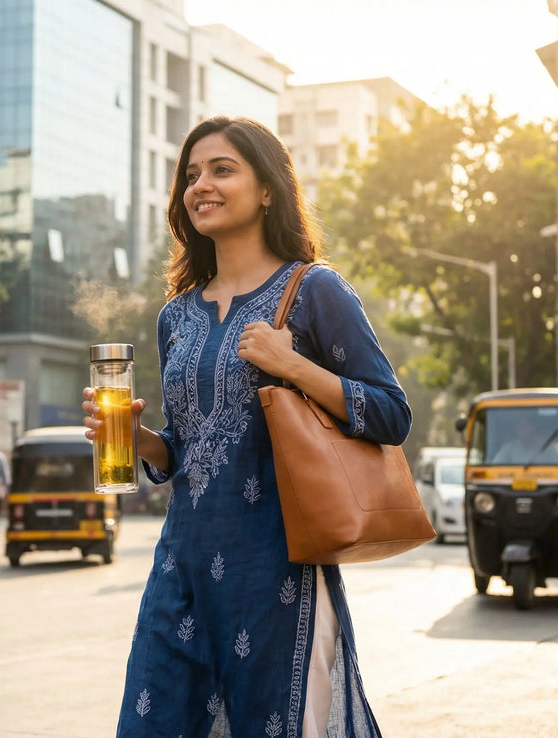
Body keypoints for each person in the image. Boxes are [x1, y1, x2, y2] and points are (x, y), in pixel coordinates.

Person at [82, 115, 411, 737]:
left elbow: (392, 413)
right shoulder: (176, 316)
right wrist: (136, 438)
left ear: (267, 190)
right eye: (191, 174)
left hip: (277, 569)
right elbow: (187, 451)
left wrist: (292, 365)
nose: (200, 184)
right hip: (181, 566)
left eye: (222, 169)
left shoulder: (314, 291)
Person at [491, 414, 558, 465]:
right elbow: (495, 465)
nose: (524, 431)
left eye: (526, 427)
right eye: (521, 428)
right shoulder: (509, 448)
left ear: (533, 429)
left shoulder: (547, 448)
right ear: (517, 430)